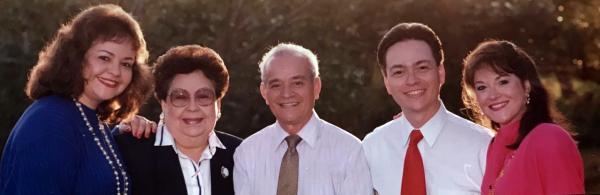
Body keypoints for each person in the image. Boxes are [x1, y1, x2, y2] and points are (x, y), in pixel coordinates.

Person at [0, 4, 151, 194]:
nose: (115, 72)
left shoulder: (91, 120)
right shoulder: (49, 122)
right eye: (104, 58)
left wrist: (121, 134)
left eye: (126, 64)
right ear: (76, 57)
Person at [362, 22, 493, 195]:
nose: (412, 80)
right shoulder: (371, 148)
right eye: (399, 72)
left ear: (440, 73)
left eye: (422, 68)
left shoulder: (484, 146)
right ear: (387, 82)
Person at [233, 43, 373, 195]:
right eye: (276, 85)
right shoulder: (247, 153)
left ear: (316, 87)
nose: (286, 93)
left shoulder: (349, 152)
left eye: (297, 83)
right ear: (264, 92)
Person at [461, 40, 585, 194]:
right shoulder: (496, 146)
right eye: (482, 87)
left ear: (526, 86)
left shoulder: (549, 138)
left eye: (502, 82)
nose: (492, 95)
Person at [115, 45, 242, 195]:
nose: (193, 107)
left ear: (218, 104)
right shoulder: (128, 150)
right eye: (180, 97)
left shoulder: (241, 154)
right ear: (164, 104)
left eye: (203, 96)